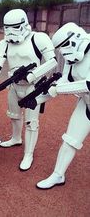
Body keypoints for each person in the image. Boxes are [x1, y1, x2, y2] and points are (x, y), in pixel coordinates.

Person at [0, 9, 57, 171]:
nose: (10, 32)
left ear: (24, 25)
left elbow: (52, 62)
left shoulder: (38, 39)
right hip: (14, 86)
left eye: (14, 27)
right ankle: (16, 138)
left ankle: (28, 154)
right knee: (14, 116)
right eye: (7, 28)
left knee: (31, 123)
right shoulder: (4, 44)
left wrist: (32, 76)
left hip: (33, 87)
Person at [36, 22, 90, 189]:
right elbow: (65, 80)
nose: (64, 52)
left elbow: (87, 84)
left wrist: (56, 90)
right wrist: (38, 98)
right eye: (60, 48)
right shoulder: (71, 58)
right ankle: (58, 175)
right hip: (86, 105)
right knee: (70, 140)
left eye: (65, 45)